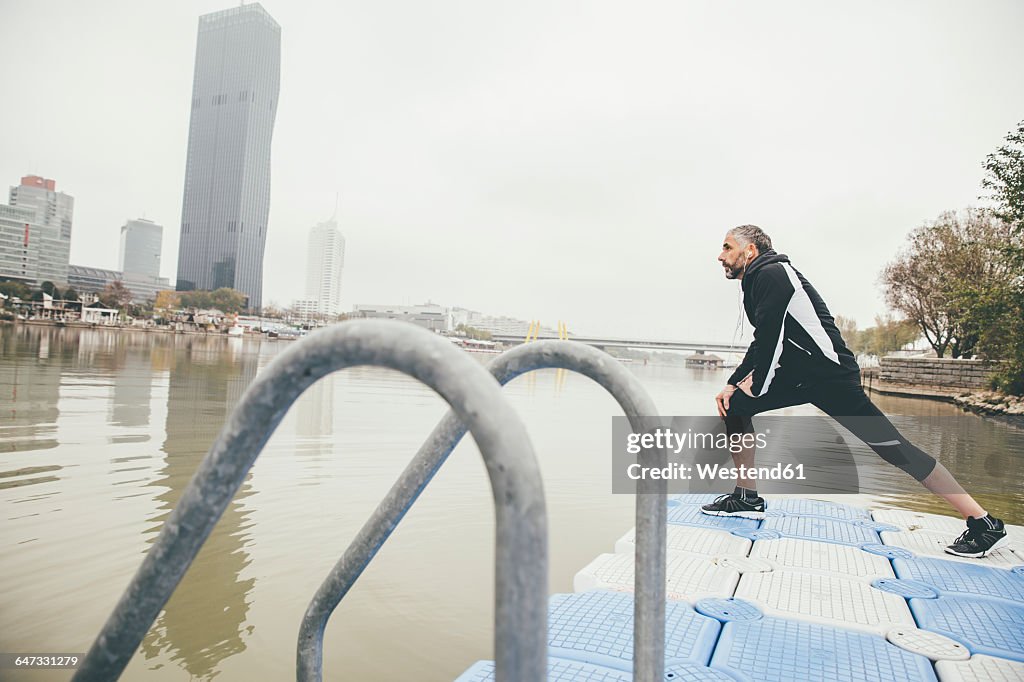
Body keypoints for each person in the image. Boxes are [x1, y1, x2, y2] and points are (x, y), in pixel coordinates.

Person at [701, 224, 1008, 558]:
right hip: (798, 376)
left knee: (893, 448)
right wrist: (734, 383)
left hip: (831, 377)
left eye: (727, 247)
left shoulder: (773, 273)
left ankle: (983, 521)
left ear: (750, 251)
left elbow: (772, 338)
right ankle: (746, 496)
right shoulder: (756, 280)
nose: (720, 255)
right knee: (736, 408)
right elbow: (763, 340)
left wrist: (756, 386)